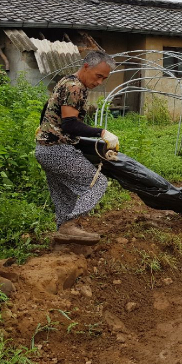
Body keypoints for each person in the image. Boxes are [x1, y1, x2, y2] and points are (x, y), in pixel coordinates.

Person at [35, 50, 120, 244]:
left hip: (44, 149)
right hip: (57, 149)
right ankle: (69, 225)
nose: (99, 82)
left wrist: (43, 128)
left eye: (104, 79)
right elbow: (70, 125)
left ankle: (65, 237)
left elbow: (46, 107)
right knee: (97, 183)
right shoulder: (75, 87)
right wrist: (102, 133)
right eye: (98, 76)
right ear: (86, 66)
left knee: (64, 193)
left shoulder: (66, 81)